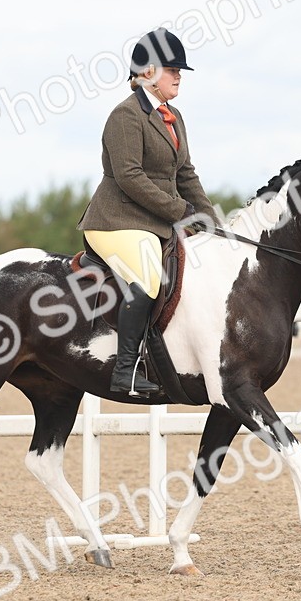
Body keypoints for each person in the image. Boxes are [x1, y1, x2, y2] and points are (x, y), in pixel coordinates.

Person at [78, 27, 222, 397]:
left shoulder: (173, 116)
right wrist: (181, 211)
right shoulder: (125, 116)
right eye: (172, 69)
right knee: (148, 277)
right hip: (116, 221)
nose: (178, 76)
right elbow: (130, 177)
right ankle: (125, 371)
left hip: (153, 222)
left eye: (179, 70)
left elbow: (186, 174)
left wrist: (211, 222)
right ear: (147, 73)